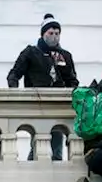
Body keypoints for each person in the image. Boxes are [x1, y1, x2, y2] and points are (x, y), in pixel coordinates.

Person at [8, 14, 78, 161]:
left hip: (59, 104)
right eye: (51, 33)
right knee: (39, 140)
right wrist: (15, 93)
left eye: (57, 34)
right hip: (37, 102)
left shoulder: (64, 55)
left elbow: (72, 80)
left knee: (57, 140)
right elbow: (14, 74)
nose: (54, 37)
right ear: (43, 34)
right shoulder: (31, 52)